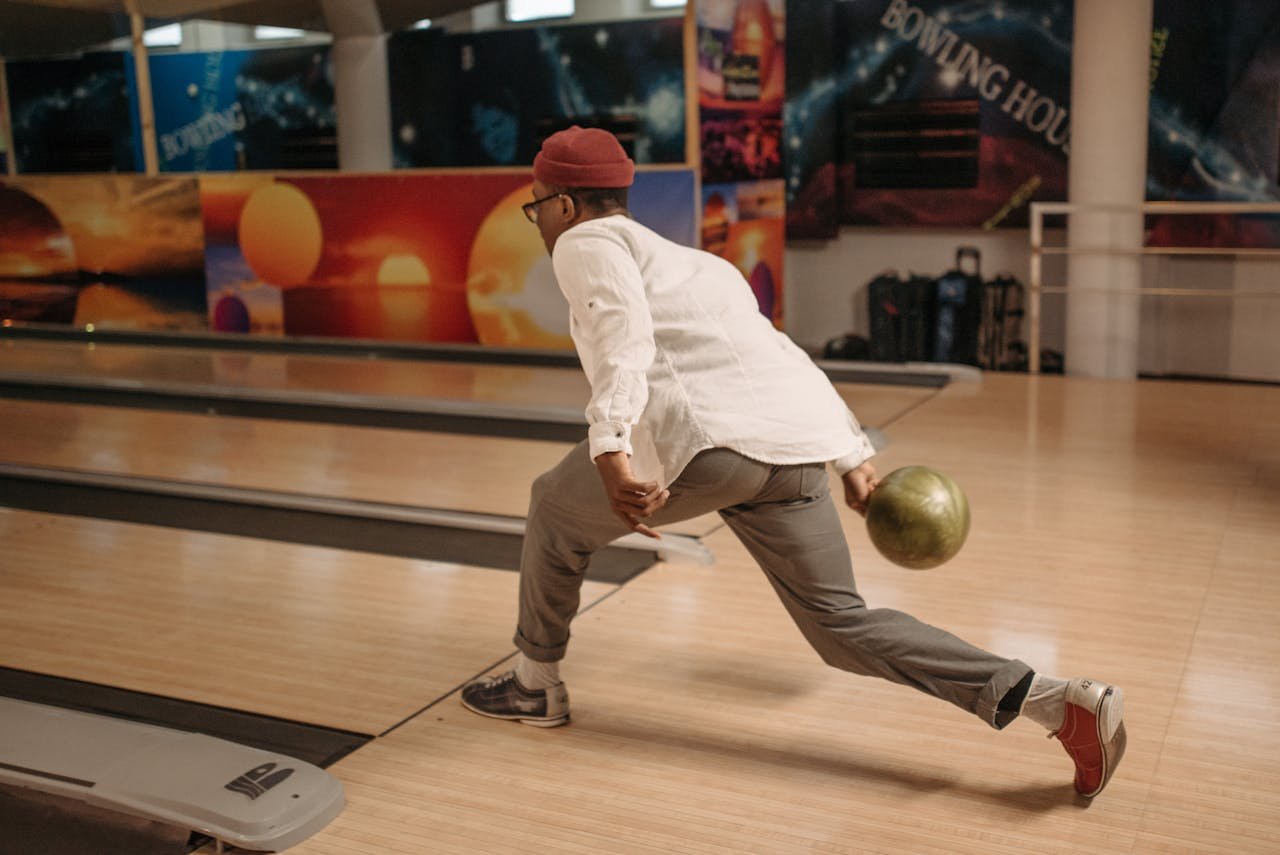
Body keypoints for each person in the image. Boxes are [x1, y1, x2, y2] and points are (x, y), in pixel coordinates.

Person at [460, 126, 1126, 798]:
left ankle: (534, 686)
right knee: (842, 625)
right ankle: (1054, 700)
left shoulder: (585, 243)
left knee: (553, 501)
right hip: (792, 453)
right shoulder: (702, 265)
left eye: (537, 205)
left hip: (713, 446)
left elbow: (619, 335)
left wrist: (611, 447)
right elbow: (783, 355)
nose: (539, 219)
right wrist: (851, 452)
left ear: (567, 205)